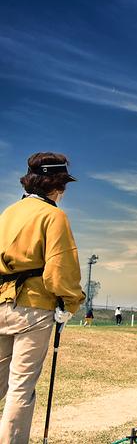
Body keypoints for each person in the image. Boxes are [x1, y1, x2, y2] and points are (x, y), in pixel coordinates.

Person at [0, 152, 85, 442]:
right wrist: (71, 302)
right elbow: (60, 270)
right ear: (56, 185)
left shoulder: (8, 212)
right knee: (21, 388)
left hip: (0, 302)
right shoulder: (54, 216)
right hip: (33, 307)